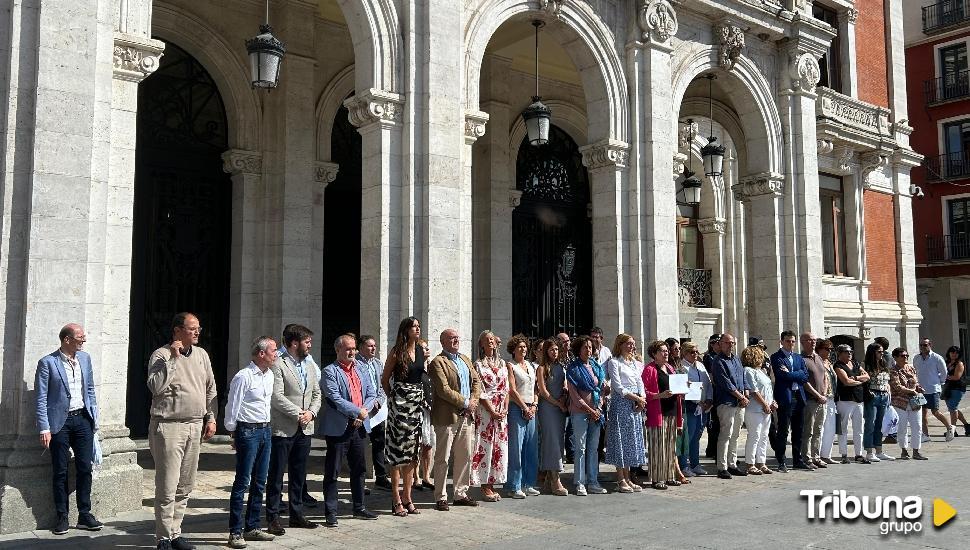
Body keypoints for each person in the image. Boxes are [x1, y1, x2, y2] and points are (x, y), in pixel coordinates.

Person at [147, 313, 217, 550]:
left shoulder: (202, 355)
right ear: (177, 331)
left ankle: (176, 532)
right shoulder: (161, 354)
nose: (197, 332)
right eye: (192, 329)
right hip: (169, 427)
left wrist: (211, 417)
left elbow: (210, 388)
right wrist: (173, 360)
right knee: (167, 485)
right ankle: (163, 537)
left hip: (195, 425)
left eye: (198, 328)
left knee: (185, 485)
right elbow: (156, 387)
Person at [36, 323, 101, 536]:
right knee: (61, 471)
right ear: (67, 339)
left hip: (82, 419)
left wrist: (94, 417)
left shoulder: (85, 358)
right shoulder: (48, 363)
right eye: (80, 337)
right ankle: (62, 516)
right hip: (59, 423)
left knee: (85, 467)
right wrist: (44, 428)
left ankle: (85, 514)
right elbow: (41, 398)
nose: (84, 340)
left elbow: (89, 389)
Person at [319, 335, 380, 526]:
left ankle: (359, 507)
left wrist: (363, 412)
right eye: (348, 349)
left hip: (359, 427)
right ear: (338, 350)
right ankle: (331, 512)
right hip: (339, 428)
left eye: (354, 348)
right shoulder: (330, 371)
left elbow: (372, 393)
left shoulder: (361, 369)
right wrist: (357, 412)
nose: (352, 352)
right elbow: (335, 398)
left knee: (359, 469)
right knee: (333, 472)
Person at [266, 324, 321, 532]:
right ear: (294, 343)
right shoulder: (278, 364)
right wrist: (299, 413)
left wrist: (311, 413)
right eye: (307, 341)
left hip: (305, 427)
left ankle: (297, 515)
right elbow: (276, 396)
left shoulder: (308, 364)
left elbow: (317, 393)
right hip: (284, 427)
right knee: (277, 474)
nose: (310, 345)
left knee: (299, 474)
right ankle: (272, 517)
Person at [224, 336, 278, 548]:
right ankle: (235, 531)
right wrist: (232, 432)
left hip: (265, 429)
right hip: (248, 430)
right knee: (242, 481)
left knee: (260, 480)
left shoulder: (270, 375)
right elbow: (232, 405)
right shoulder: (243, 376)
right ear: (261, 353)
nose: (276, 353)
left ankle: (252, 526)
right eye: (273, 350)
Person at [430, 329, 482, 510]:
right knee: (442, 458)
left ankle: (460, 494)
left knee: (465, 456)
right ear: (443, 341)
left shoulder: (465, 359)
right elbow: (443, 390)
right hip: (447, 416)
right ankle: (441, 496)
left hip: (467, 416)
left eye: (457, 338)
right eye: (451, 338)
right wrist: (466, 402)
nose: (455, 340)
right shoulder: (438, 362)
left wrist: (474, 401)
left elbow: (476, 381)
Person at [380, 317, 425, 517]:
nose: (417, 329)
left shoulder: (422, 351)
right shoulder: (396, 352)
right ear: (405, 330)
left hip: (416, 405)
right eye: (414, 326)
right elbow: (385, 379)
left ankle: (408, 497)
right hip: (400, 405)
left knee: (412, 454)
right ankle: (396, 499)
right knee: (398, 454)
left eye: (418, 326)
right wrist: (395, 398)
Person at [566, 335, 608, 495]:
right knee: (581, 448)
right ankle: (580, 482)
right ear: (578, 349)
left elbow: (601, 391)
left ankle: (593, 481)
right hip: (580, 413)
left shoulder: (597, 367)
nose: (588, 350)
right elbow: (574, 396)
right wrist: (590, 410)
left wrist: (598, 407)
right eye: (585, 347)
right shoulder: (573, 368)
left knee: (593, 448)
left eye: (590, 347)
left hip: (596, 414)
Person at [471, 330, 510, 501]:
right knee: (486, 446)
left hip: (501, 409)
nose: (491, 342)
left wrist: (505, 408)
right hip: (486, 411)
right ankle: (485, 485)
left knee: (498, 447)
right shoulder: (478, 365)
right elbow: (480, 391)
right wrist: (492, 411)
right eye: (487, 340)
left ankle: (493, 482)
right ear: (481, 345)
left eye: (493, 339)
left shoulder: (502, 363)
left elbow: (507, 388)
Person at [605, 334, 646, 492]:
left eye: (633, 344)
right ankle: (621, 478)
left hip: (635, 404)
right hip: (621, 403)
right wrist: (636, 397)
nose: (631, 347)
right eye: (628, 344)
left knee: (630, 442)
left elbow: (639, 382)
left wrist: (642, 399)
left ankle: (628, 477)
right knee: (621, 441)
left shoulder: (635, 363)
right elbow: (618, 386)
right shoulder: (614, 362)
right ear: (620, 345)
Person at [769, 330, 810, 472]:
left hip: (799, 397)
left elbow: (805, 376)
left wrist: (792, 374)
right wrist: (795, 375)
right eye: (788, 341)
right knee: (783, 431)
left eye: (793, 341)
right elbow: (781, 376)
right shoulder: (776, 357)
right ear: (781, 341)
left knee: (798, 431)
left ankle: (797, 460)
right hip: (785, 397)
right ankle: (781, 461)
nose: (791, 344)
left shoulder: (799, 357)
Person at [711, 333, 749, 479]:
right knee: (726, 434)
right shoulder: (718, 361)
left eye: (732, 343)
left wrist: (745, 394)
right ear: (720, 344)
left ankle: (732, 464)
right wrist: (741, 396)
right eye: (727, 343)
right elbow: (725, 383)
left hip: (740, 402)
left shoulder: (736, 359)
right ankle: (722, 467)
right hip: (726, 402)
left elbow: (742, 377)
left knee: (736, 435)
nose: (730, 345)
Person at [506, 334, 540, 498]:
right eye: (519, 347)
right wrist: (524, 407)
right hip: (516, 408)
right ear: (513, 349)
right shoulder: (510, 366)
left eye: (525, 346)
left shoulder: (531, 366)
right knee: (516, 448)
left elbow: (535, 388)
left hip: (531, 408)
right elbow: (511, 390)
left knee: (531, 447)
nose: (523, 349)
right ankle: (515, 485)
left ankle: (528, 483)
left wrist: (533, 405)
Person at [356, 334, 390, 491]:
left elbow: (383, 385)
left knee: (379, 442)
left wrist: (380, 400)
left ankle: (381, 477)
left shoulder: (377, 363)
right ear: (361, 347)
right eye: (370, 346)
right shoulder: (355, 364)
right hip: (362, 410)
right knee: (360, 445)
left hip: (377, 410)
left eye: (374, 345)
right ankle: (359, 480)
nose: (373, 348)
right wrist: (367, 404)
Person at [536, 338, 569, 495]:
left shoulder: (561, 367)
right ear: (545, 351)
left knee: (559, 441)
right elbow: (543, 391)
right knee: (551, 442)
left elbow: (564, 385)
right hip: (548, 408)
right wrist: (557, 403)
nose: (554, 352)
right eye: (551, 350)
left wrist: (563, 396)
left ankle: (550, 477)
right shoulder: (542, 368)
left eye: (556, 349)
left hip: (560, 408)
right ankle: (555, 478)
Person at [741, 344, 775, 475]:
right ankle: (750, 463)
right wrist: (765, 404)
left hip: (766, 409)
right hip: (755, 408)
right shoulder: (748, 371)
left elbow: (768, 389)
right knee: (754, 435)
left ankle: (762, 462)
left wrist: (772, 402)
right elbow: (754, 390)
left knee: (764, 436)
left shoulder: (762, 371)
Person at [889, 348, 928, 460]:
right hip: (900, 402)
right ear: (895, 358)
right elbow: (897, 386)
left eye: (906, 355)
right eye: (902, 356)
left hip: (915, 401)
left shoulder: (911, 368)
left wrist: (919, 388)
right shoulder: (893, 371)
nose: (905, 357)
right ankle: (904, 450)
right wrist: (911, 391)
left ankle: (916, 451)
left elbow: (916, 382)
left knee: (917, 426)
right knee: (902, 427)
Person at [832, 344, 869, 464]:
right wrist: (859, 381)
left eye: (851, 352)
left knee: (859, 428)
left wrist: (855, 377)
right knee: (843, 429)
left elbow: (867, 376)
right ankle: (844, 454)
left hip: (858, 400)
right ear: (840, 353)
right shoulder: (838, 365)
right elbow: (846, 381)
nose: (849, 354)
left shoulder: (856, 364)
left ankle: (859, 454)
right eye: (846, 352)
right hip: (845, 400)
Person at [914, 338, 954, 441]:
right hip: (920, 391)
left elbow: (944, 373)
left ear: (930, 345)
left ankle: (950, 428)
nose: (922, 347)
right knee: (922, 413)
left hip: (933, 390)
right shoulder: (916, 358)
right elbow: (914, 373)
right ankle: (926, 435)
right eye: (921, 345)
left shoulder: (937, 358)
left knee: (935, 411)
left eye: (925, 345)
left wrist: (938, 383)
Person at [682, 342, 712, 476]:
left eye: (696, 352)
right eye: (692, 352)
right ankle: (684, 465)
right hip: (691, 406)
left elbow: (708, 384)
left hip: (704, 406)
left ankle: (695, 464)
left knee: (697, 437)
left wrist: (709, 399)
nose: (695, 354)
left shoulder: (700, 366)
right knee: (688, 437)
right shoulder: (681, 367)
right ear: (685, 353)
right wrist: (697, 401)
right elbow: (683, 388)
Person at [799, 332, 828, 469]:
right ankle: (806, 458)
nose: (813, 342)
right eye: (810, 340)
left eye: (814, 340)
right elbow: (804, 381)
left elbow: (824, 377)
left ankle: (816, 456)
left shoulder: (818, 357)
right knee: (808, 431)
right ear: (803, 342)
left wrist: (824, 393)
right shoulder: (801, 359)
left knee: (818, 430)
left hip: (822, 400)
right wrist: (817, 395)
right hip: (810, 400)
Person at [863, 343, 894, 462]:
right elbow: (864, 382)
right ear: (873, 352)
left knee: (880, 424)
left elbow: (887, 380)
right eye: (879, 352)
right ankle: (869, 451)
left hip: (884, 395)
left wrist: (888, 393)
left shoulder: (883, 364)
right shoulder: (866, 365)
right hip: (872, 395)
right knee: (870, 424)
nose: (882, 354)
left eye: (882, 352)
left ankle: (879, 450)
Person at [815, 339, 839, 464]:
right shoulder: (817, 360)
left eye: (831, 349)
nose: (829, 352)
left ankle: (826, 454)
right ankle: (817, 455)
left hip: (831, 397)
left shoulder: (829, 363)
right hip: (821, 397)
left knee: (830, 427)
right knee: (820, 427)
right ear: (819, 349)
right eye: (827, 349)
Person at [416, 339, 436, 492]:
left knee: (428, 445)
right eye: (423, 348)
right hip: (418, 410)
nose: (427, 350)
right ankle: (416, 477)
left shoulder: (431, 368)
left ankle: (426, 476)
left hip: (430, 412)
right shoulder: (415, 368)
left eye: (427, 348)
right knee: (417, 445)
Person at [703, 334, 722, 460]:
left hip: (720, 393)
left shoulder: (721, 356)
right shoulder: (709, 357)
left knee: (719, 423)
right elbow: (712, 377)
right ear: (712, 344)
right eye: (718, 343)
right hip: (714, 392)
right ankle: (712, 449)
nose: (721, 345)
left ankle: (712, 449)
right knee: (714, 423)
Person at [943, 346, 970, 436]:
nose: (954, 354)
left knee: (953, 408)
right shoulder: (946, 362)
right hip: (947, 388)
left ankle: (953, 430)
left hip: (957, 388)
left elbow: (956, 377)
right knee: (953, 408)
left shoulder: (959, 363)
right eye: (952, 352)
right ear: (949, 353)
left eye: (956, 353)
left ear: (959, 354)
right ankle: (967, 425)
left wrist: (942, 377)